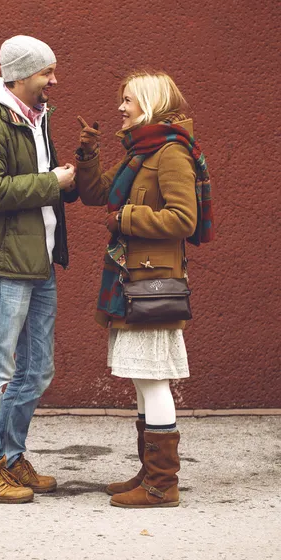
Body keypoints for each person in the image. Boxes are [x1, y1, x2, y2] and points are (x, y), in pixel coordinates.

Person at [75, 70, 214, 509]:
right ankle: (148, 473)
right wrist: (88, 152)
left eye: (128, 100)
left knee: (153, 382)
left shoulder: (170, 154)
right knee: (143, 381)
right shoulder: (141, 153)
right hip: (132, 280)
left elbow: (183, 220)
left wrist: (127, 219)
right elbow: (96, 193)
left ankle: (161, 485)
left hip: (153, 284)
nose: (121, 107)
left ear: (149, 103)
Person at [0, 35, 77, 503]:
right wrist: (51, 182)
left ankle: (9, 459)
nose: (54, 79)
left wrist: (65, 182)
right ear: (23, 74)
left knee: (36, 369)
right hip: (3, 263)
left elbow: (33, 186)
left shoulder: (35, 117)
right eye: (47, 71)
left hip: (38, 260)